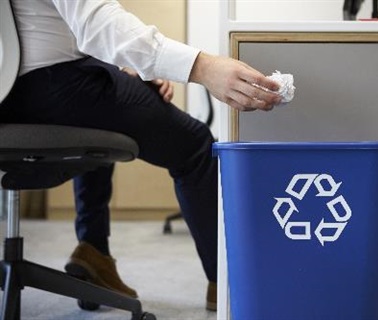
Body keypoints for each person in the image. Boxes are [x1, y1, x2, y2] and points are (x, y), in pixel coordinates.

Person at [3, 0, 281, 312]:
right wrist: (203, 67)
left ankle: (94, 252)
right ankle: (227, 283)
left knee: (103, 107)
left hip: (8, 96)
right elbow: (98, 23)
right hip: (51, 87)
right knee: (194, 145)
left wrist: (125, 66)